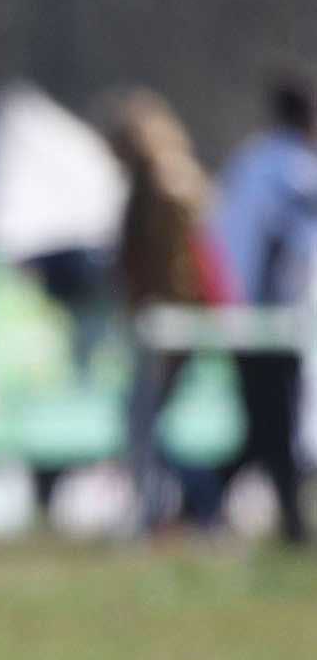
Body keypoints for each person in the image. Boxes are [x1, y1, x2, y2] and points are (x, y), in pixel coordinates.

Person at [105, 91, 233, 533]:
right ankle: (172, 510)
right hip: (158, 322)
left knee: (149, 423)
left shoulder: (166, 188)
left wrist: (166, 323)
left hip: (171, 325)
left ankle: (200, 505)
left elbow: (175, 266)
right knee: (147, 422)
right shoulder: (150, 186)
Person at [214, 71, 317, 543]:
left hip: (239, 314)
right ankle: (292, 524)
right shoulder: (296, 171)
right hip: (274, 319)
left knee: (261, 425)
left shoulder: (249, 160)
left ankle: (202, 505)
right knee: (278, 423)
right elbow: (291, 247)